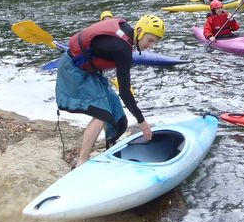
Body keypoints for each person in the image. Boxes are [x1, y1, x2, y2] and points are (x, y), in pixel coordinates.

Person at [55, 14, 165, 166]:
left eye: (155, 42)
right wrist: (142, 122)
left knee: (116, 111)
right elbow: (125, 92)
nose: (151, 45)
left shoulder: (126, 34)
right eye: (150, 40)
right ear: (139, 31)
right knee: (102, 113)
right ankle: (82, 161)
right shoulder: (122, 49)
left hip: (88, 71)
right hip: (73, 69)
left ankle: (110, 148)